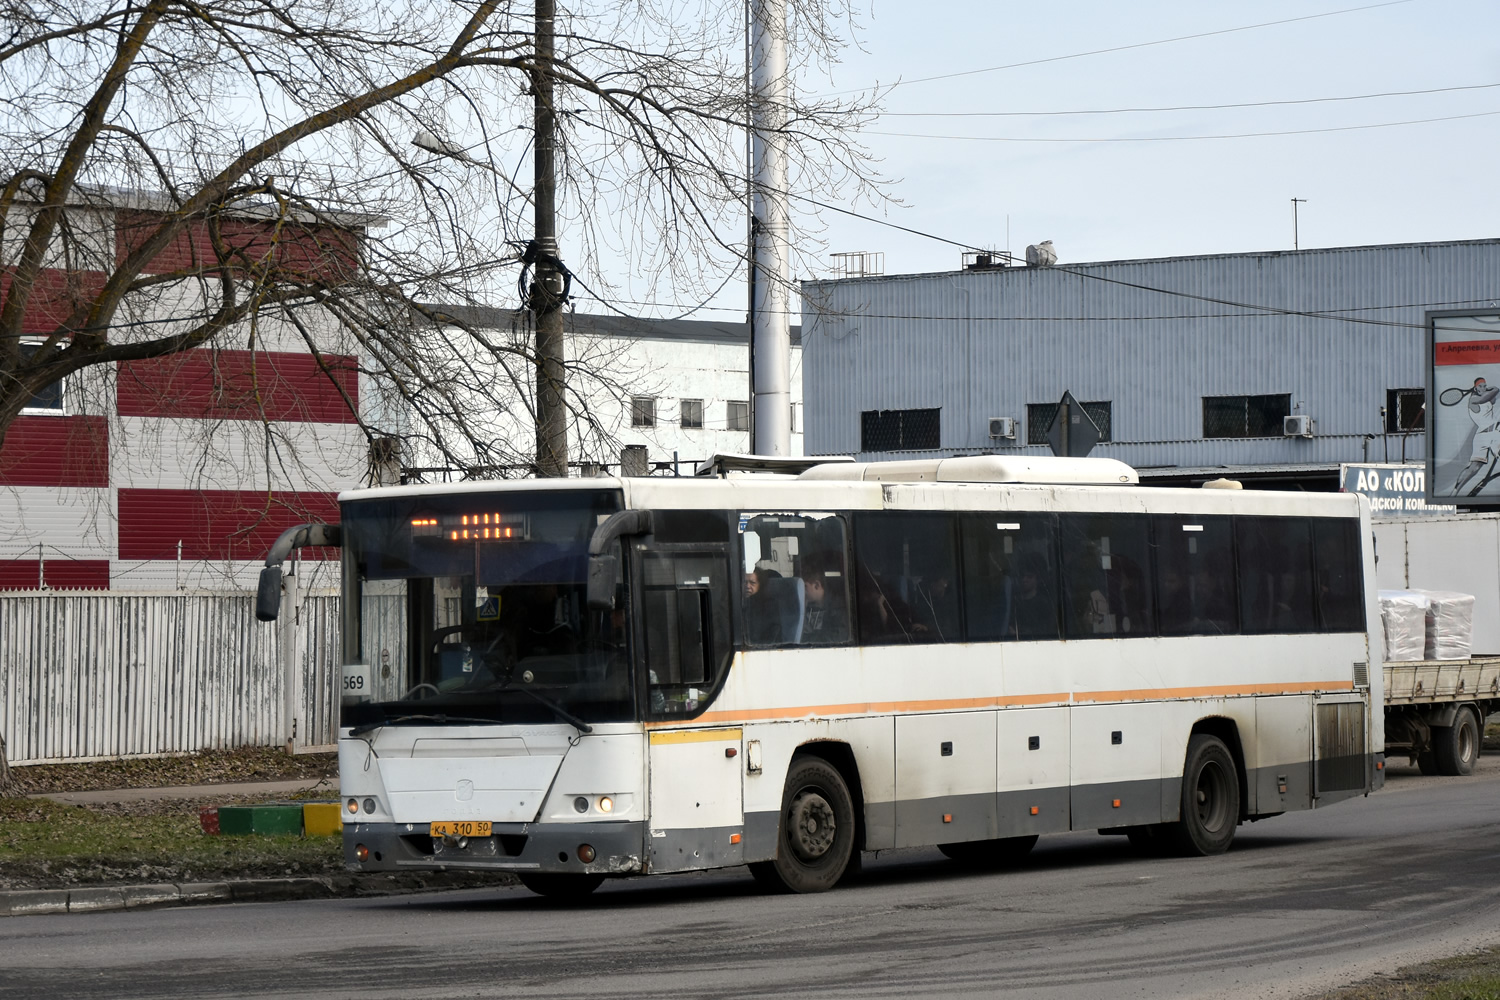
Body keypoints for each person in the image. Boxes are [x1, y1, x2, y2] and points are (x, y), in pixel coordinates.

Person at [1455, 377, 1500, 494]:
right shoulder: (1473, 400)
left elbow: (1494, 396)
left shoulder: (1486, 399)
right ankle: (1455, 492)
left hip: (1492, 433)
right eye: (1480, 386)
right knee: (1474, 468)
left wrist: (1488, 390)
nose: (1483, 388)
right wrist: (1490, 389)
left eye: (1485, 385)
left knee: (1475, 466)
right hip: (1483, 435)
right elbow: (1494, 391)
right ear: (1475, 388)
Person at [798, 555, 847, 644]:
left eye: (805, 587)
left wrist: (809, 638)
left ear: (816, 585)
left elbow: (835, 638)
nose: (802, 592)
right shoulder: (807, 607)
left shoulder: (837, 608)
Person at [1010, 553, 1057, 639]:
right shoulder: (1013, 602)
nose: (1024, 579)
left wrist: (1020, 632)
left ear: (1038, 578)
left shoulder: (1044, 604)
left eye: (1029, 576)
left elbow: (1045, 630)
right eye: (1022, 576)